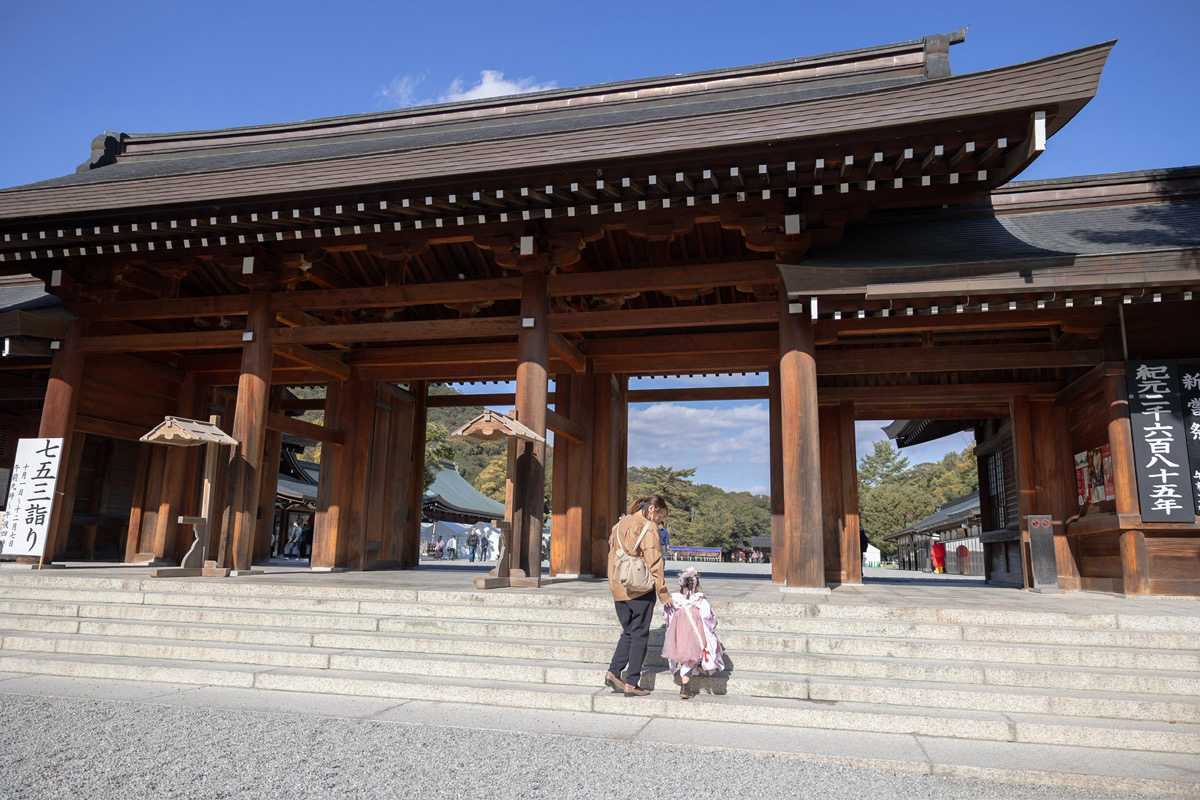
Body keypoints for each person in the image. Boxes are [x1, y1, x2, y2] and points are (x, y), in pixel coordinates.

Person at [604, 494, 673, 698]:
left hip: (618, 586)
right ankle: (632, 682)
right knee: (640, 634)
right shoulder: (647, 526)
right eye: (660, 516)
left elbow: (611, 550)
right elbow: (654, 561)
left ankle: (613, 672)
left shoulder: (620, 522)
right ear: (653, 510)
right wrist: (663, 592)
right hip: (639, 587)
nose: (659, 521)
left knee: (628, 632)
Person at [662, 568, 724, 699]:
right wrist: (714, 622)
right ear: (697, 585)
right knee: (691, 657)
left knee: (686, 657)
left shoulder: (675, 601)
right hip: (696, 633)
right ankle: (685, 686)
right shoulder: (700, 600)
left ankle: (686, 684)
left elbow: (667, 616)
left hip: (679, 634)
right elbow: (707, 617)